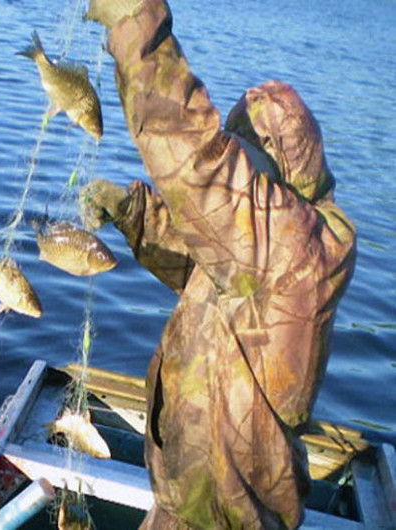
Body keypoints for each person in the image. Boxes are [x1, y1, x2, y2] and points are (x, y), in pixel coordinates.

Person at [80, 0, 357, 528]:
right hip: (183, 499)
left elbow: (197, 164)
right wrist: (133, 213)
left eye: (249, 161)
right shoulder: (259, 247)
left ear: (279, 163)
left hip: (228, 513)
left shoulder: (302, 246)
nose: (240, 170)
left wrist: (135, 22)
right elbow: (204, 265)